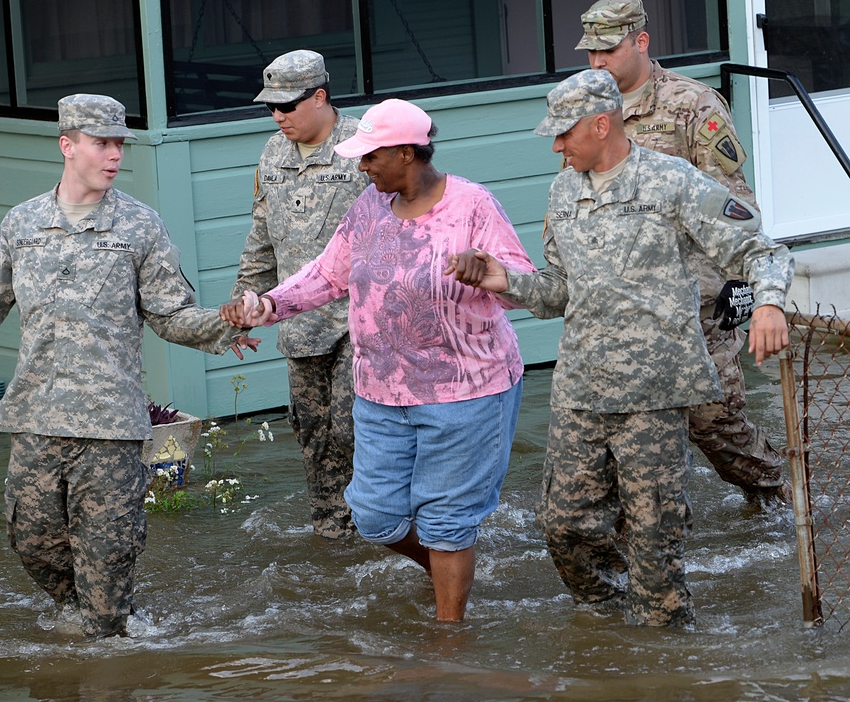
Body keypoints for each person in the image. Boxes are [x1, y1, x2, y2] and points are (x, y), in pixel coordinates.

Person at [0, 94, 252, 641]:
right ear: (67, 145)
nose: (114, 156)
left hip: (109, 426)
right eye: (102, 143)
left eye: (119, 144)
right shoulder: (22, 224)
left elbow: (172, 316)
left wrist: (227, 324)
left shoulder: (140, 227)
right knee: (32, 542)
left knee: (106, 569)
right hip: (36, 418)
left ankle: (109, 632)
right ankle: (91, 614)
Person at [448, 70, 793, 626]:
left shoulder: (671, 181)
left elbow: (762, 250)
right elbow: (560, 290)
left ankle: (663, 648)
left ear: (601, 123)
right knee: (564, 528)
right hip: (582, 388)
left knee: (655, 546)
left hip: (655, 391)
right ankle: (609, 633)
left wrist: (769, 304)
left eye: (565, 133)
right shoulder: (564, 189)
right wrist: (503, 278)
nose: (557, 146)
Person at [221, 98, 535, 621]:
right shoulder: (369, 206)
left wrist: (490, 272)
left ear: (408, 153)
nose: (362, 167)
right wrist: (270, 306)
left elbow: (523, 288)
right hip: (382, 394)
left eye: (371, 157)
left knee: (448, 521)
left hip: (465, 392)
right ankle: (446, 569)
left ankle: (449, 635)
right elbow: (326, 274)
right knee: (374, 517)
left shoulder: (472, 205)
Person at [576, 0, 787, 506]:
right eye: (591, 53)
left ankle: (776, 489)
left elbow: (734, 205)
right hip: (621, 301)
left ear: (641, 41)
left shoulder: (691, 105)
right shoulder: (588, 111)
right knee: (619, 433)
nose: (597, 63)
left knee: (712, 423)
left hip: (695, 299)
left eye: (608, 51)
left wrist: (749, 291)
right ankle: (634, 535)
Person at [231, 50, 368, 539]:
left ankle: (389, 526)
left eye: (287, 106)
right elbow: (261, 237)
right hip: (300, 322)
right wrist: (244, 306)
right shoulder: (272, 153)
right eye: (271, 107)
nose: (277, 116)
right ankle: (333, 535)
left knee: (356, 431)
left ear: (320, 96)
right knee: (314, 434)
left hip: (363, 321)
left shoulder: (362, 147)